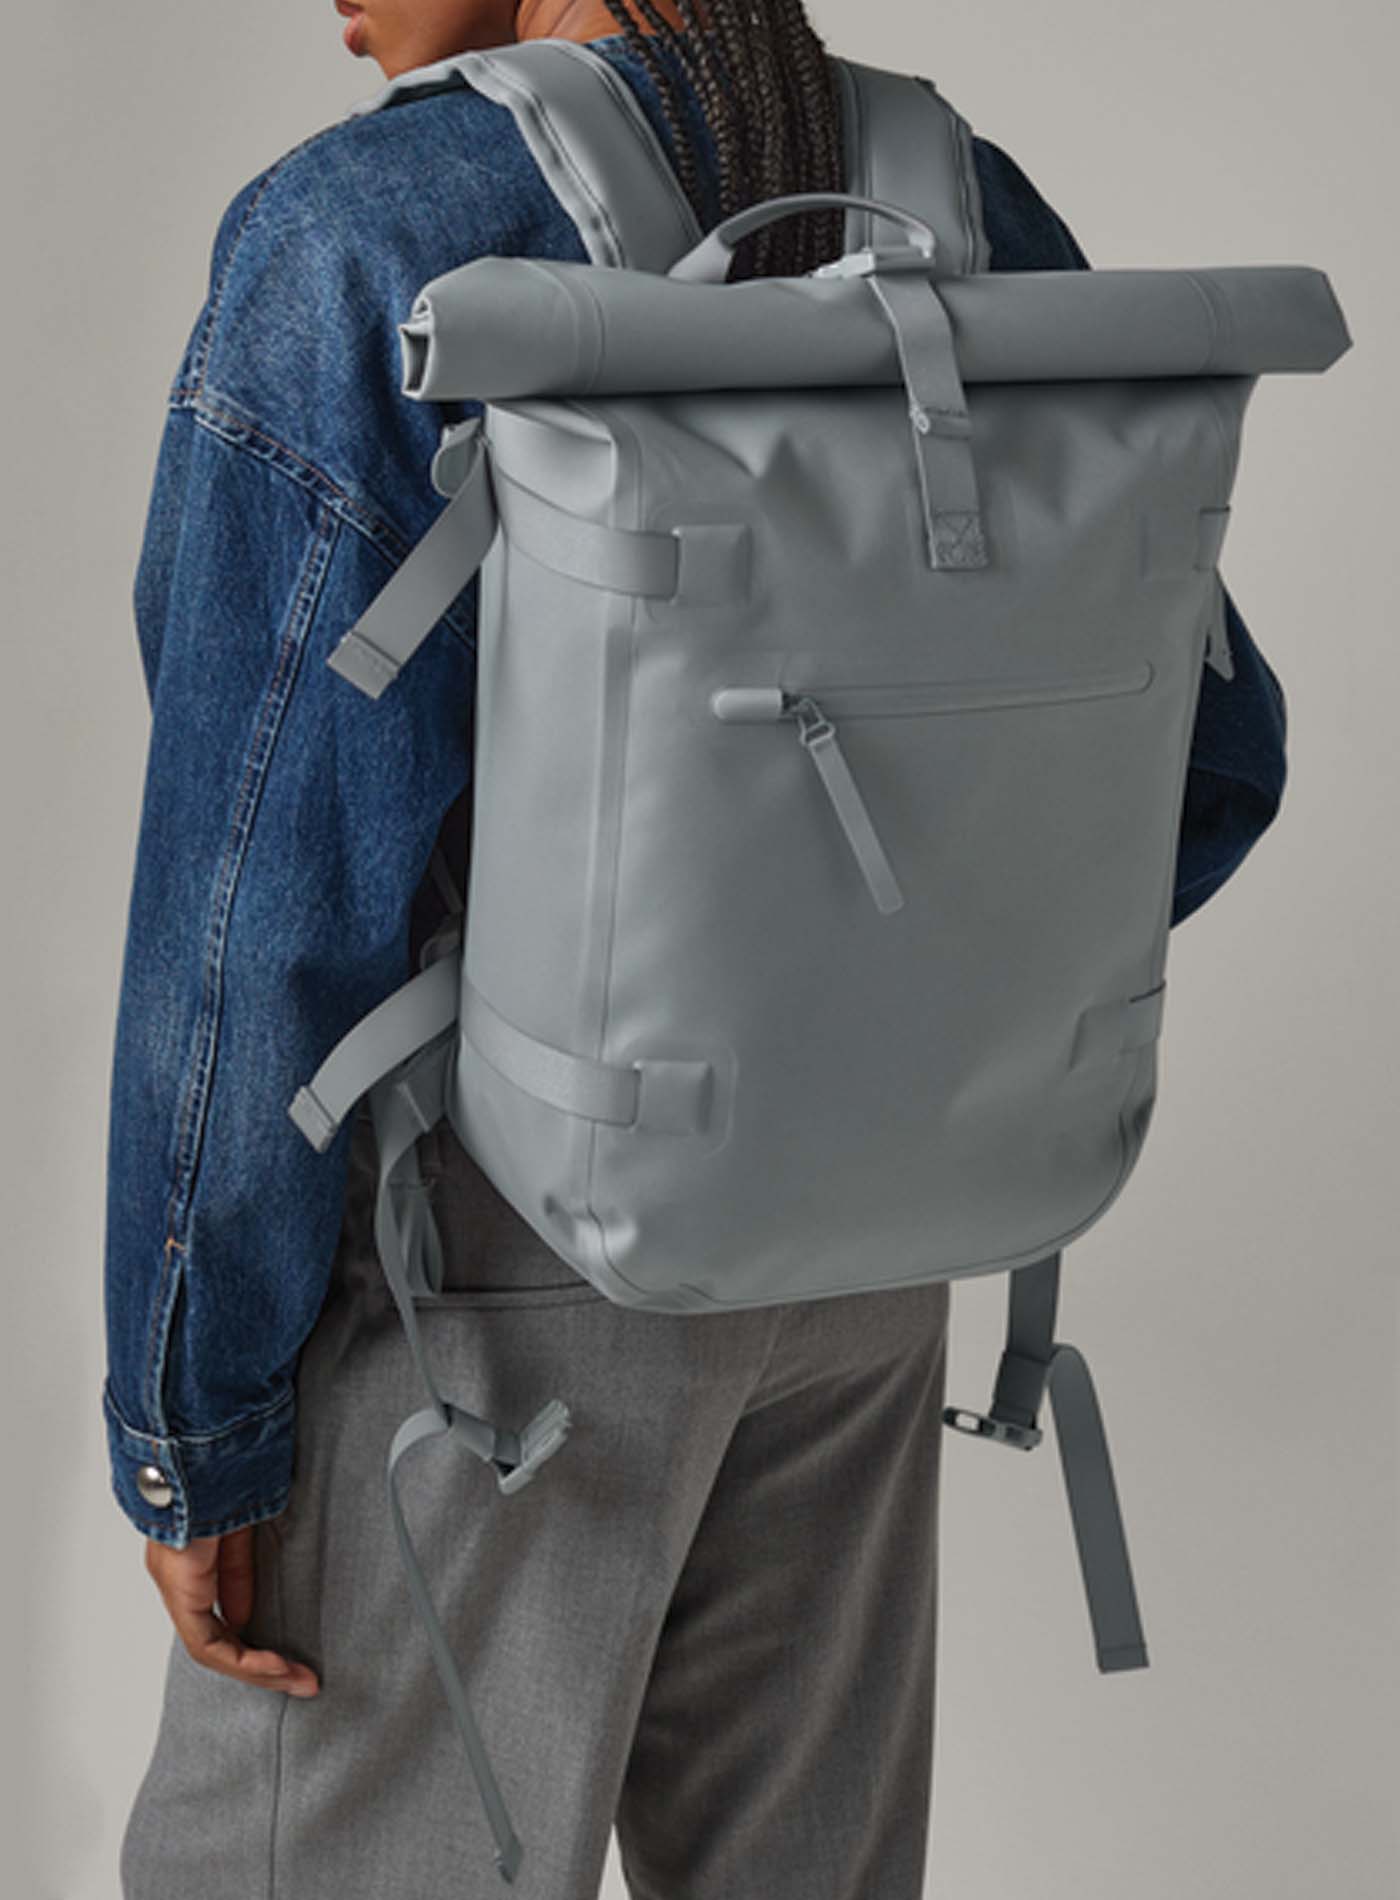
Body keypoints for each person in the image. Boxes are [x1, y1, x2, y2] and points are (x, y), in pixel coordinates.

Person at [108, 2, 1288, 1894]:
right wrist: (911, 1034)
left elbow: (255, 901)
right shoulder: (959, 203)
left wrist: (195, 1420)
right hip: (874, 1260)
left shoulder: (356, 239)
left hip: (487, 1284)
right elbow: (1217, 752)